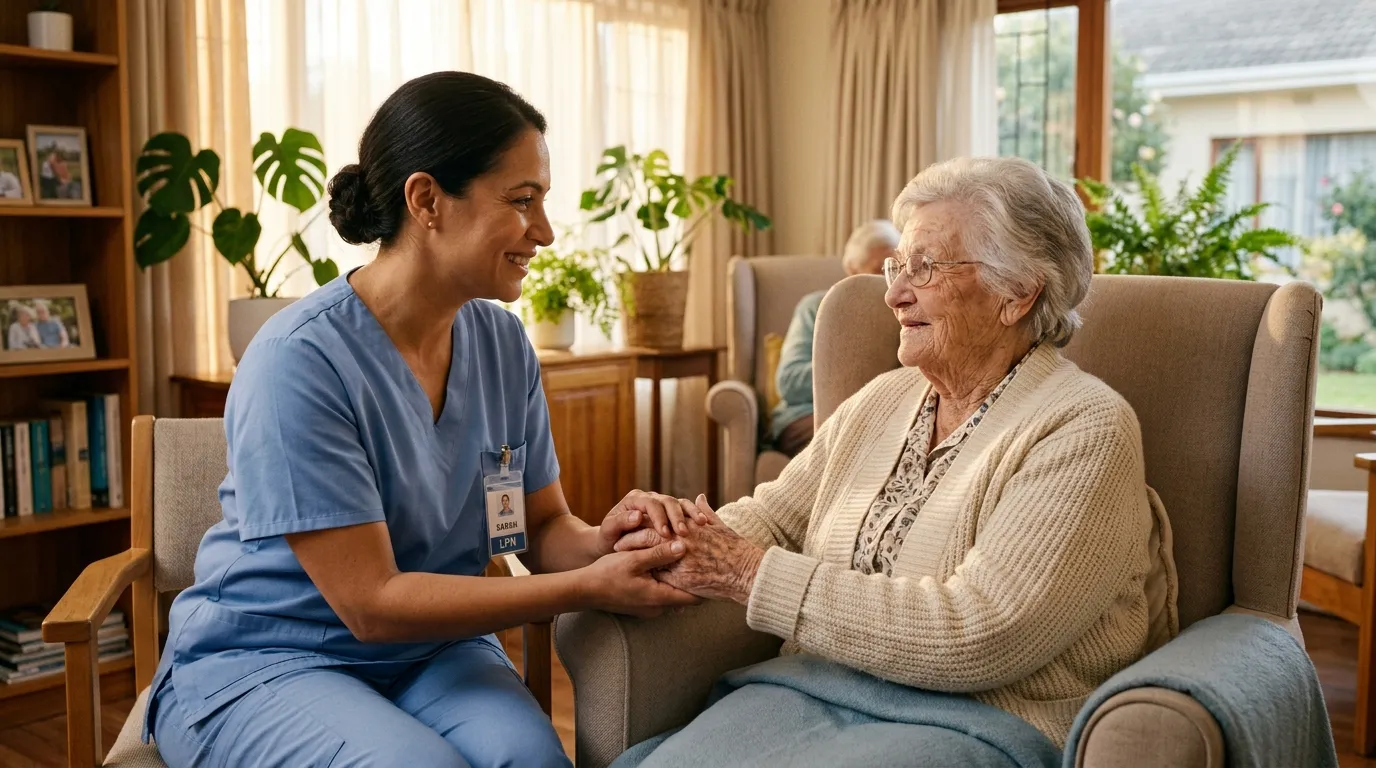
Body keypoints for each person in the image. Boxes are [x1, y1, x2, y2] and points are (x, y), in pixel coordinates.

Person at [142, 71, 709, 768]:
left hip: (432, 652)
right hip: (270, 658)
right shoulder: (299, 361)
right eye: (522, 201)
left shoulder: (503, 347)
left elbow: (536, 527)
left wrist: (608, 543)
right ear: (426, 200)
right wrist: (585, 588)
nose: (547, 232)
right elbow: (371, 603)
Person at [614, 156, 1178, 760]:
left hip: (971, 724)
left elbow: (980, 632)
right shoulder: (885, 398)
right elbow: (776, 517)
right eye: (897, 266)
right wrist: (671, 536)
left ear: (1017, 293)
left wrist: (747, 571)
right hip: (807, 692)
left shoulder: (1084, 424)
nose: (894, 293)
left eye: (925, 269)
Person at [767, 219, 899, 456]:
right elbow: (789, 382)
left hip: (875, 415)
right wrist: (858, 372)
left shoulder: (903, 312)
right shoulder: (815, 307)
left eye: (895, 269)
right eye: (879, 270)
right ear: (851, 269)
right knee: (861, 438)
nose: (890, 282)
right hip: (807, 414)